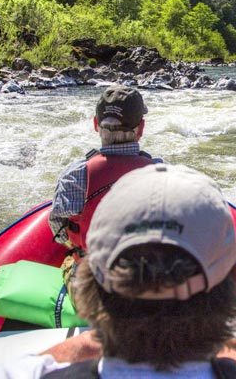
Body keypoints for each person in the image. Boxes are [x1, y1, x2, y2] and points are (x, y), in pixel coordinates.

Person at [0, 164, 236, 378]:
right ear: (234, 282)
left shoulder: (13, 374)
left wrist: (88, 344)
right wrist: (214, 347)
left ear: (86, 285)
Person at [49, 85, 159, 298]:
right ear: (141, 128)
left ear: (95, 124)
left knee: (70, 259)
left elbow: (59, 230)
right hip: (149, 285)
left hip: (94, 289)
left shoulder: (75, 174)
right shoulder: (161, 171)